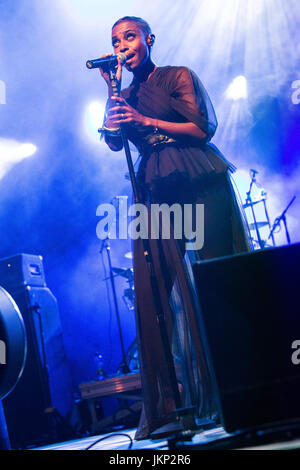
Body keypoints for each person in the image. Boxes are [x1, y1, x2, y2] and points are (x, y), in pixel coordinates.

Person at [98, 16, 251, 440]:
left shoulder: (176, 76)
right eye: (115, 40)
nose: (122, 44)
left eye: (129, 36)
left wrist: (148, 123)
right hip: (154, 186)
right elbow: (113, 141)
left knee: (222, 279)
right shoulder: (123, 93)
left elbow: (201, 128)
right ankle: (171, 406)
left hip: (197, 175)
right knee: (154, 289)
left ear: (148, 40)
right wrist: (110, 91)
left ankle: (246, 387)